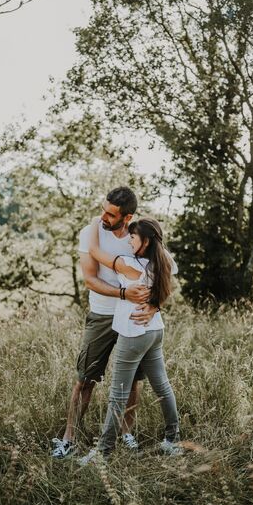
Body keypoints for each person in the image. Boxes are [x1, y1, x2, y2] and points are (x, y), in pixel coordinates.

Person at [52, 187, 161, 459]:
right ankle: (69, 438)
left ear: (127, 217)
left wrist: (154, 305)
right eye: (104, 209)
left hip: (134, 317)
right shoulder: (91, 233)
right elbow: (90, 279)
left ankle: (125, 434)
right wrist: (123, 293)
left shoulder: (140, 235)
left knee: (133, 381)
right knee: (85, 377)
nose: (104, 216)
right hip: (101, 315)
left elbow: (161, 273)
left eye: (111, 214)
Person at [79, 216, 182, 464]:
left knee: (118, 394)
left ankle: (103, 453)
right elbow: (170, 270)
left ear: (144, 241)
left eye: (133, 237)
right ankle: (172, 440)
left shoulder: (128, 264)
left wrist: (95, 223)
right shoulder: (164, 260)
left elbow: (93, 251)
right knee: (162, 387)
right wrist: (156, 306)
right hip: (154, 330)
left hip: (133, 332)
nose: (129, 241)